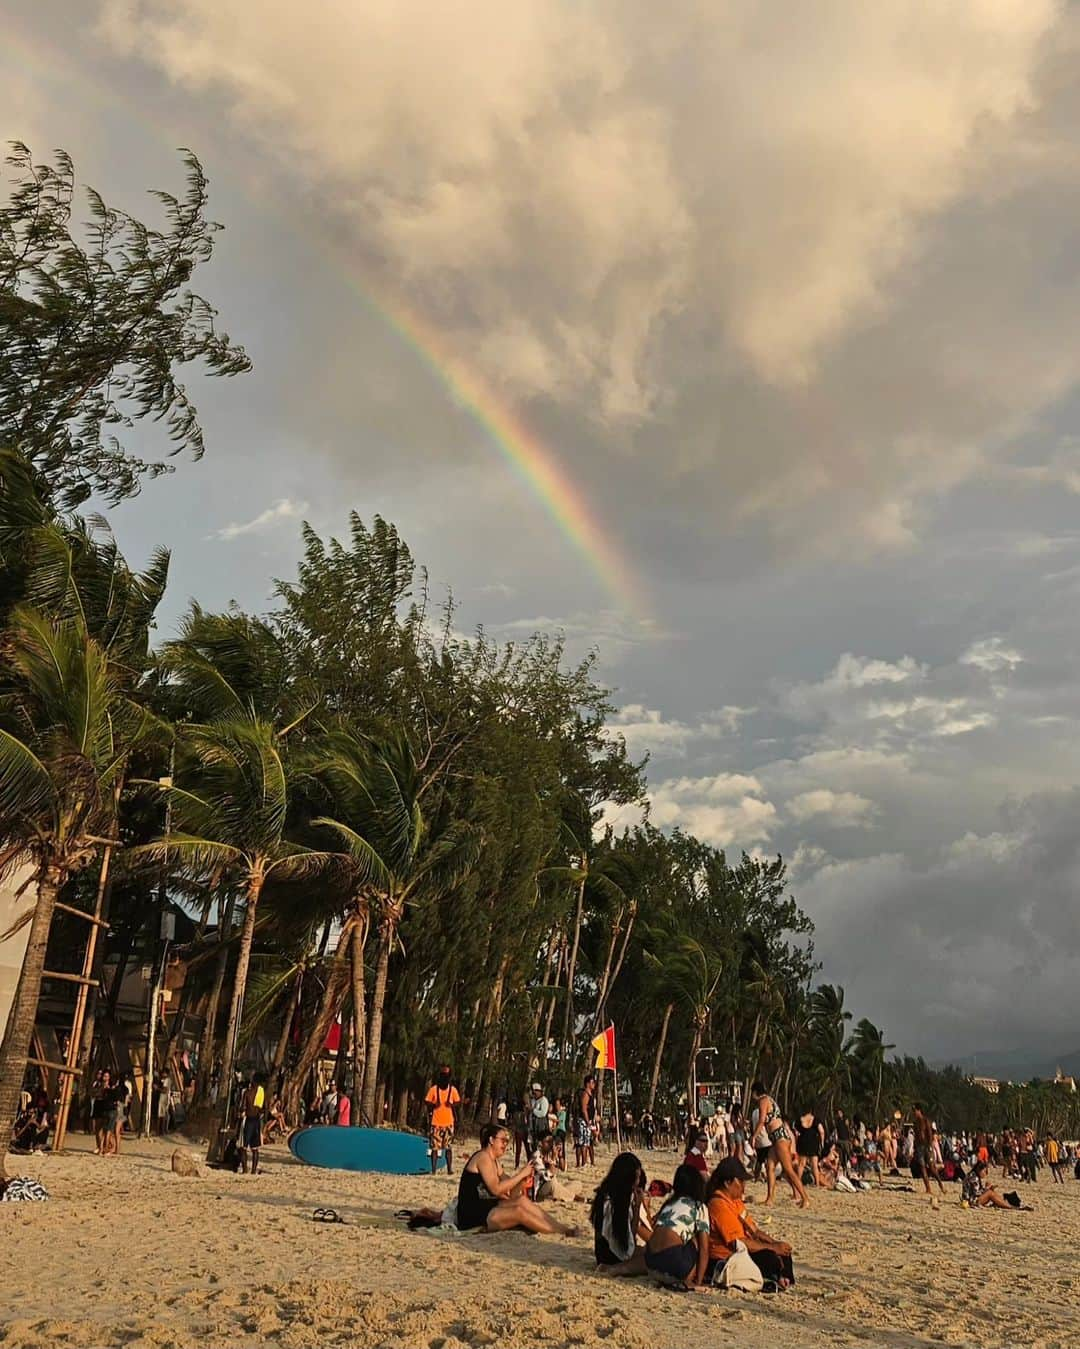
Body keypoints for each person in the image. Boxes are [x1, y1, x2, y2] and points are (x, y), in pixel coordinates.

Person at [456, 1124, 578, 1235]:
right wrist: (520, 1174)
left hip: (487, 1206)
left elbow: (512, 1192)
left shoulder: (494, 1161)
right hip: (473, 1214)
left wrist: (523, 1181)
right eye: (503, 1141)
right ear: (491, 1140)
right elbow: (496, 1189)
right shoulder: (483, 1157)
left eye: (507, 1141)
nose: (505, 1145)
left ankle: (561, 1228)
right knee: (519, 1212)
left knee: (522, 1201)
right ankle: (560, 1232)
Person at [707, 1156, 795, 1289]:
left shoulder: (735, 1201)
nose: (744, 1186)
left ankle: (781, 1278)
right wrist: (772, 1248)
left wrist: (775, 1243)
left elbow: (754, 1230)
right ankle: (776, 1279)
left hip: (742, 1248)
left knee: (783, 1253)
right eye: (741, 1181)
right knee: (770, 1257)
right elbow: (738, 1241)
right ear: (727, 1183)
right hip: (727, 1256)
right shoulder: (718, 1204)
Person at [643, 1163, 711, 1289]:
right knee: (695, 1240)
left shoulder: (669, 1204)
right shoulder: (699, 1207)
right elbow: (704, 1249)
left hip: (651, 1264)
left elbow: (653, 1226)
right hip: (674, 1266)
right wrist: (699, 1281)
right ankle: (688, 1279)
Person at [591, 1151, 652, 1275]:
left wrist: (637, 1207)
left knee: (653, 1252)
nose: (638, 1182)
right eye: (637, 1177)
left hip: (613, 1251)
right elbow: (619, 1243)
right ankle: (614, 1269)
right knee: (653, 1260)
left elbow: (630, 1234)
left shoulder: (622, 1196)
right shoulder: (610, 1200)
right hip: (611, 1255)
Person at [751, 1082, 808, 1208]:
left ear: (755, 1092)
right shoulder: (770, 1099)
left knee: (788, 1169)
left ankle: (805, 1198)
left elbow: (761, 1121)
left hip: (780, 1137)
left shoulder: (763, 1100)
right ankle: (770, 1199)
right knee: (769, 1166)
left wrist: (753, 1136)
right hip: (777, 1137)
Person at [425, 1066, 460, 1175]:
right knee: (434, 1148)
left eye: (447, 1076)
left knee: (448, 1147)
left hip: (449, 1123)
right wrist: (434, 1104)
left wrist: (452, 1104)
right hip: (436, 1123)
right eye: (443, 1075)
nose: (445, 1078)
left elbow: (458, 1101)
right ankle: (434, 1170)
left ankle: (449, 1169)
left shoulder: (452, 1090)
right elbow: (426, 1101)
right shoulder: (433, 1089)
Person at [963, 1160, 1033, 1210]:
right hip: (970, 1201)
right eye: (985, 1171)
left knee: (991, 1192)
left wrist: (988, 1188)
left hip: (971, 1199)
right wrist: (987, 1188)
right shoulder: (974, 1177)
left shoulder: (974, 1175)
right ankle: (1011, 1207)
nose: (985, 1174)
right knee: (990, 1193)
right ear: (979, 1170)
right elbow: (976, 1193)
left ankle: (1004, 1203)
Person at [912, 1104, 945, 1196]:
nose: (914, 1113)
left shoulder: (925, 1120)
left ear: (919, 1111)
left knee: (932, 1168)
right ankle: (928, 1188)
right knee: (922, 1167)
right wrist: (915, 1148)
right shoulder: (915, 1123)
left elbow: (929, 1134)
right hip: (919, 1147)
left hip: (927, 1146)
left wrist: (930, 1145)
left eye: (915, 1110)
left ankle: (941, 1185)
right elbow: (916, 1137)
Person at [240, 1072, 266, 1175]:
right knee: (255, 1148)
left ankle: (245, 1169)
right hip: (257, 1121)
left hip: (248, 1120)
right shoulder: (261, 1092)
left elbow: (242, 1107)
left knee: (243, 1147)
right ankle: (253, 1170)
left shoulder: (247, 1093)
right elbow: (262, 1109)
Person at [794, 1110, 824, 1188]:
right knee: (814, 1165)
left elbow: (797, 1133)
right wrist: (822, 1142)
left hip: (803, 1142)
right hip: (813, 1143)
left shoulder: (800, 1120)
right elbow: (821, 1131)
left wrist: (796, 1143)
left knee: (801, 1164)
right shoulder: (815, 1119)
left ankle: (798, 1182)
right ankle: (817, 1184)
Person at [576, 1074, 597, 1167]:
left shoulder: (591, 1095)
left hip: (589, 1121)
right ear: (588, 1083)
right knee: (584, 1143)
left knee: (587, 1142)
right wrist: (587, 1121)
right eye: (592, 1082)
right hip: (584, 1121)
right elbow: (584, 1109)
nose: (594, 1084)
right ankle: (583, 1162)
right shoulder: (585, 1094)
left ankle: (586, 1162)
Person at [528, 1082, 550, 1150]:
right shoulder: (533, 1100)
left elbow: (543, 1113)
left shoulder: (544, 1100)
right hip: (533, 1125)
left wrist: (533, 1110)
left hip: (541, 1125)